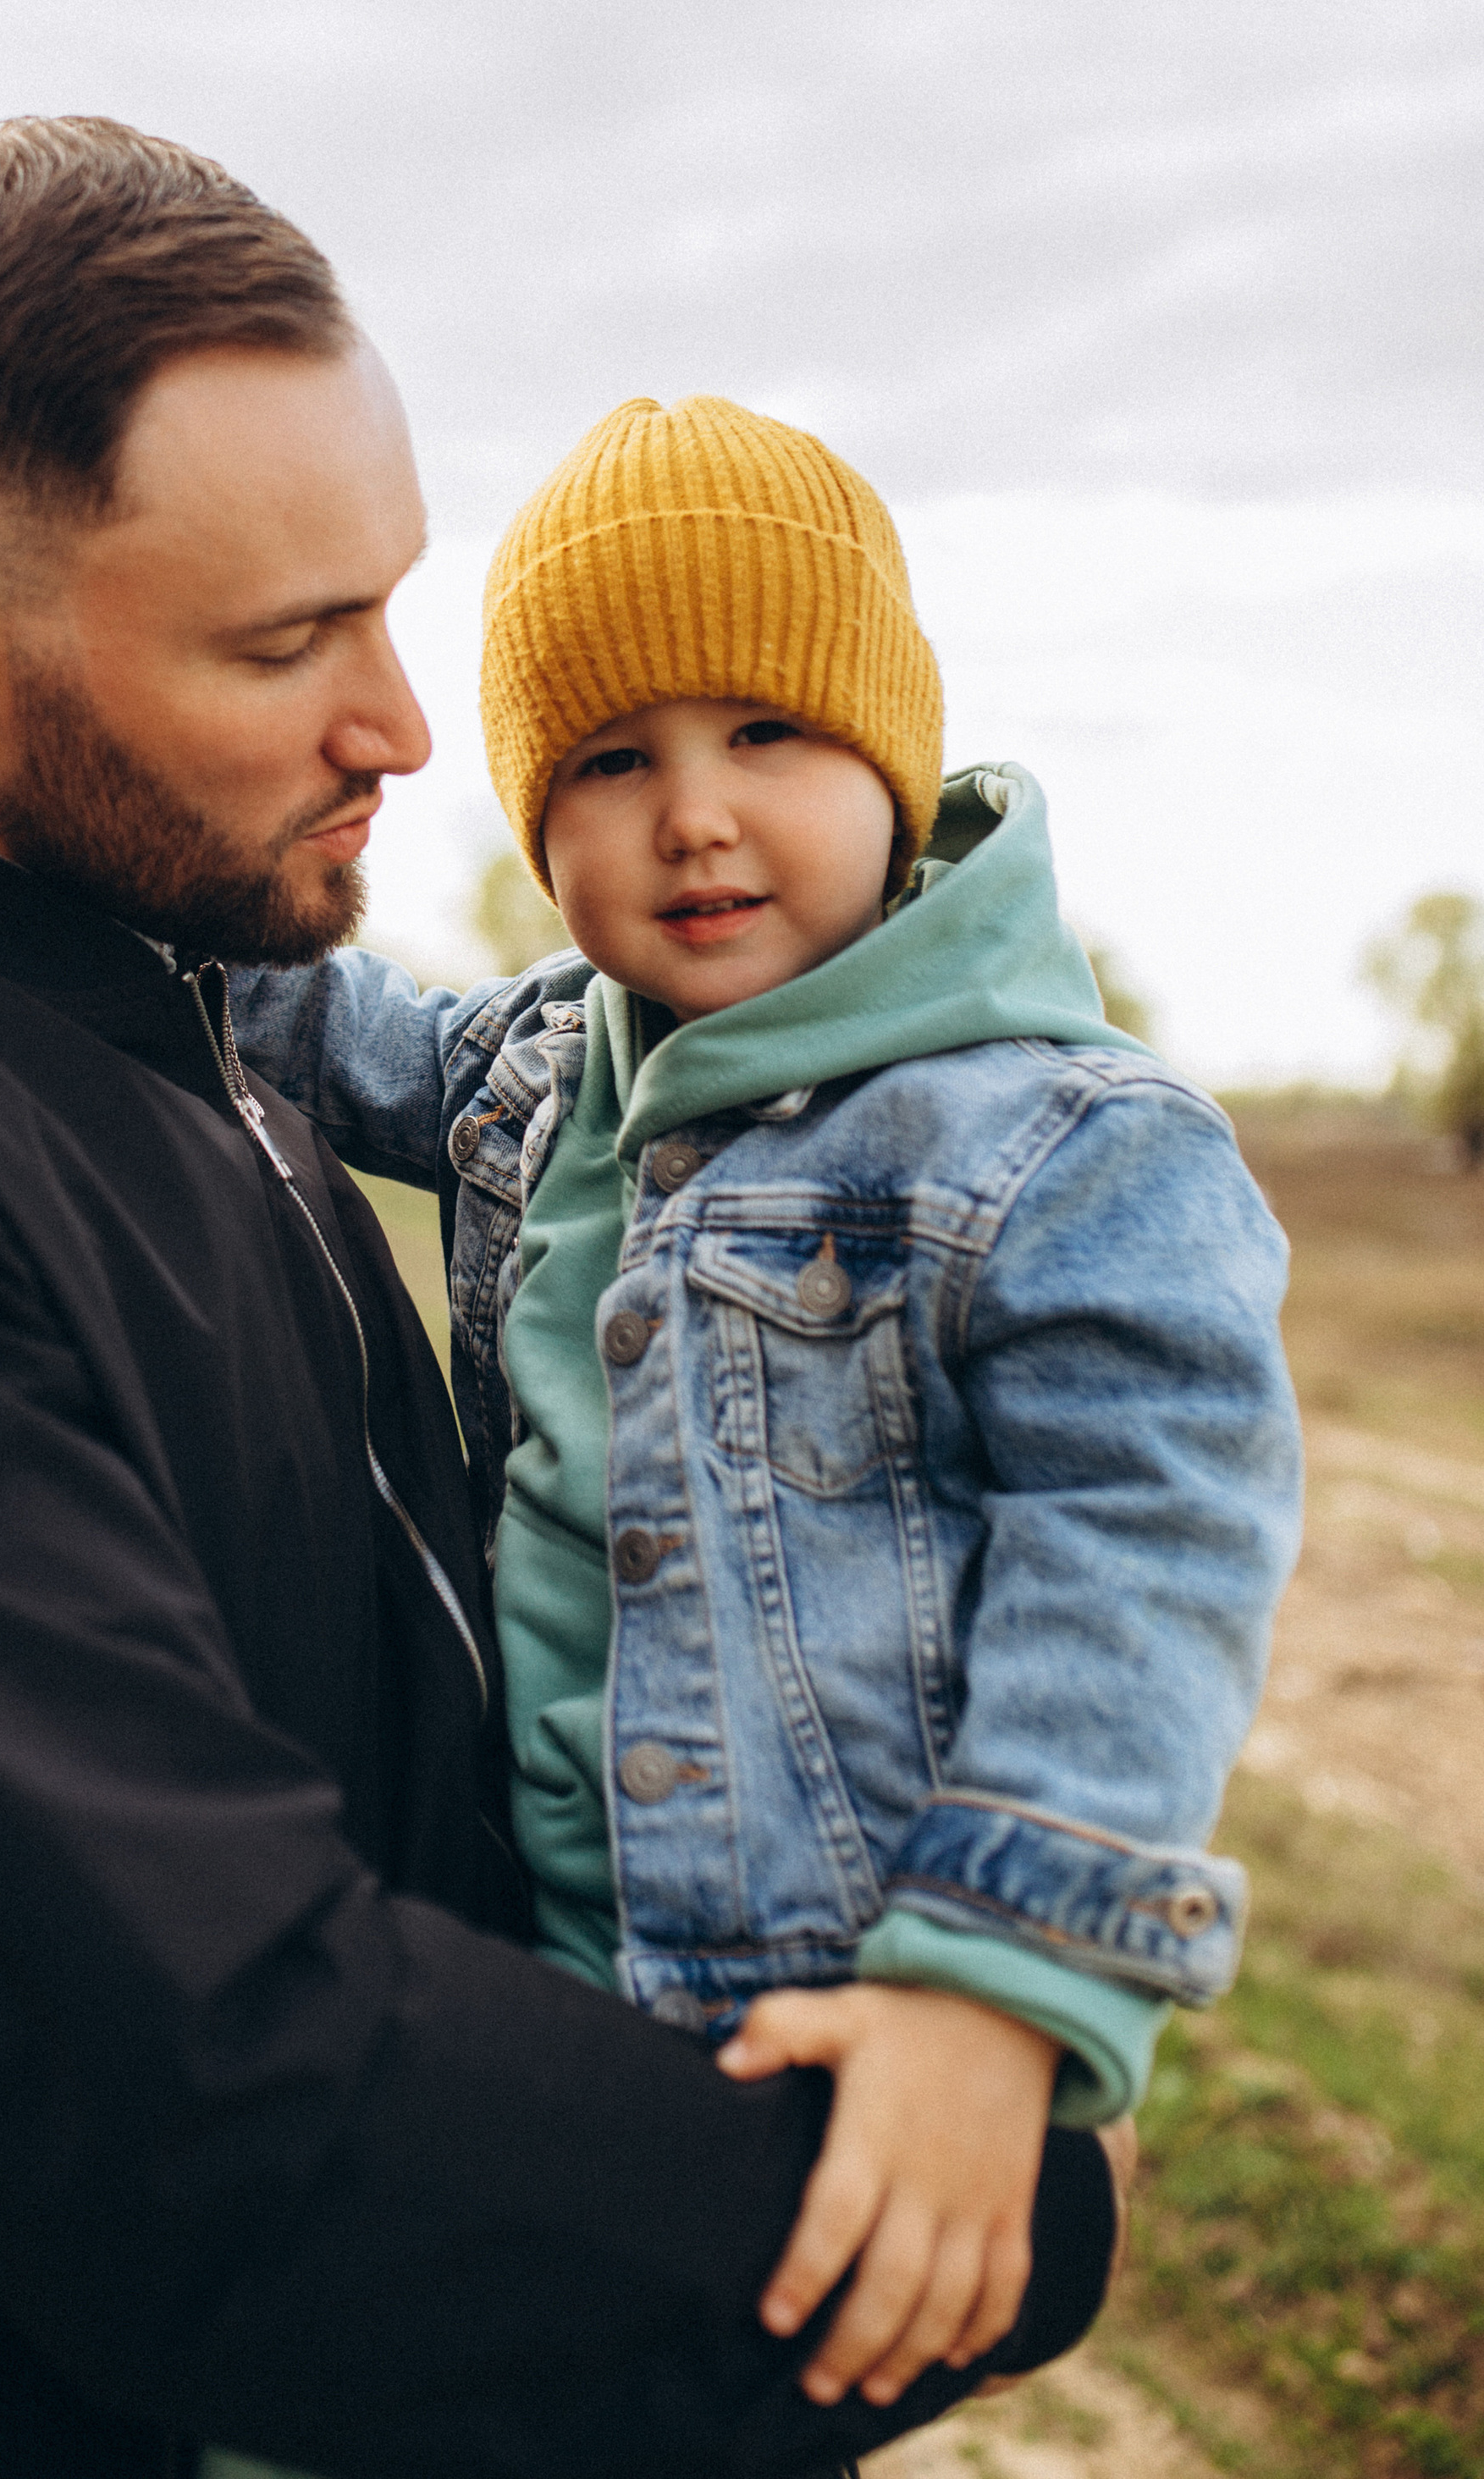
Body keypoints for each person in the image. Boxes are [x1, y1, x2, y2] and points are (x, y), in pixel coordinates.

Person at [0, 132, 1117, 2479]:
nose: (405, 728)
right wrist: (980, 2205)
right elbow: (218, 2117)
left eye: (390, 605)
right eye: (288, 642)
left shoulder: (195, 1010)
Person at [234, 393, 1303, 2415]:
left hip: (808, 2019)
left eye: (767, 737)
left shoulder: (1056, 1139)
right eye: (609, 762)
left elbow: (1147, 1552)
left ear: (890, 761)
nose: (690, 815)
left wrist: (996, 1991)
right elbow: (296, 1006)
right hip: (508, 1972)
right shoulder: (548, 1074)